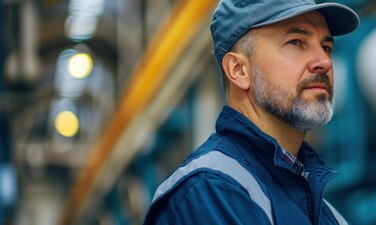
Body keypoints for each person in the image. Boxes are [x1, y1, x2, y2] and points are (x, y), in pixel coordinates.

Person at [143, 0, 359, 224]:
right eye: (296, 42)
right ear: (239, 70)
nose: (324, 62)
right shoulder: (208, 191)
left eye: (326, 47)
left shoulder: (329, 216)